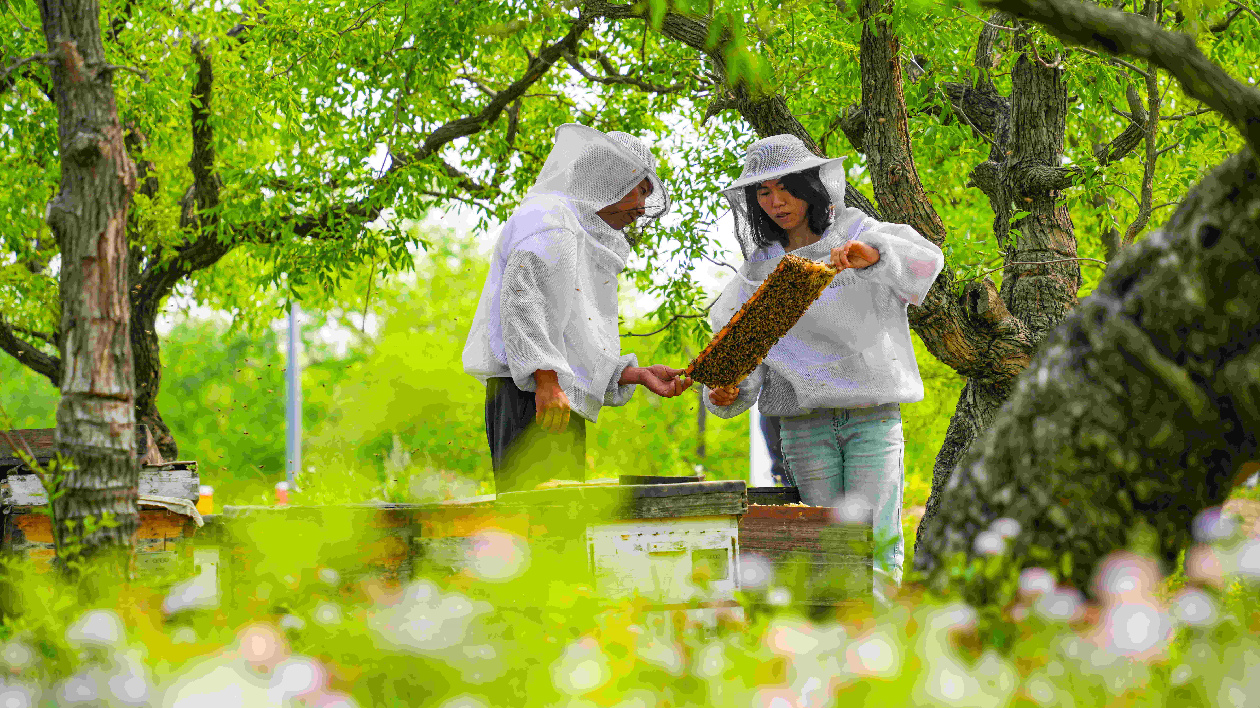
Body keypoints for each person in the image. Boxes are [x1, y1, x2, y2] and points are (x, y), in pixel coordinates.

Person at [703, 134, 944, 604]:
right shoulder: (759, 271)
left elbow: (926, 263)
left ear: (810, 186)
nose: (777, 203)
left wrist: (874, 258)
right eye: (764, 193)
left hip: (871, 419)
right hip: (802, 428)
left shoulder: (858, 230)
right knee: (824, 554)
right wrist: (725, 389)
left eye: (785, 188)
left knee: (874, 552)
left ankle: (882, 664)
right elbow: (739, 361)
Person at [463, 124, 693, 493]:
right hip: (532, 396)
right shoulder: (552, 220)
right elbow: (522, 299)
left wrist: (635, 374)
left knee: (561, 528)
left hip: (549, 394)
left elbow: (573, 336)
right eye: (641, 189)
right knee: (538, 528)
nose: (643, 205)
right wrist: (547, 380)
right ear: (612, 177)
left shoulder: (574, 228)